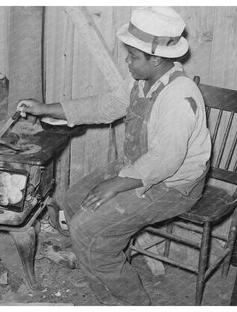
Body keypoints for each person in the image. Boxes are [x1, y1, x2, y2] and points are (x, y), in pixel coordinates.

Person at [17, 6, 211, 305]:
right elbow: (105, 106)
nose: (127, 61)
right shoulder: (141, 81)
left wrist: (116, 183)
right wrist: (46, 108)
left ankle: (133, 302)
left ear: (156, 59)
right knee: (72, 201)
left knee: (88, 230)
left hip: (173, 185)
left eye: (133, 56)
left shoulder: (179, 97)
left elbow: (166, 160)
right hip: (139, 166)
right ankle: (94, 257)